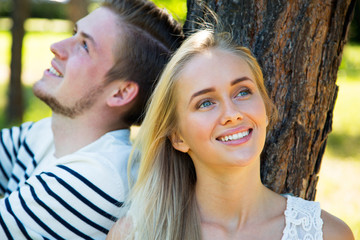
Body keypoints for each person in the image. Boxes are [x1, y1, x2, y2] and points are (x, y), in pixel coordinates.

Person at [106, 29, 354, 239]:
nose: (232, 113)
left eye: (242, 92)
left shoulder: (328, 234)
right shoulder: (135, 234)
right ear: (178, 137)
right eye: (205, 103)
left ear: (265, 110)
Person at [0, 0, 183, 239]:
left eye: (84, 46)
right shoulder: (48, 133)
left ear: (120, 93)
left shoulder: (99, 179)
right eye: (75, 33)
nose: (57, 46)